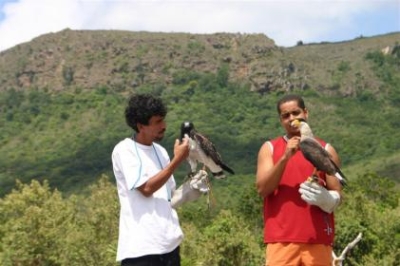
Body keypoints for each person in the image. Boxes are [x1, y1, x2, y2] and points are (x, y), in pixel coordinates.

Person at [112, 93, 208, 266]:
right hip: (141, 250)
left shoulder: (161, 152)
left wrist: (188, 191)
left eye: (163, 120)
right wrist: (177, 160)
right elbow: (146, 189)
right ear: (140, 126)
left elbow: (168, 198)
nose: (164, 126)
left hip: (169, 245)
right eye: (157, 122)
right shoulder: (124, 150)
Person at [256, 94, 343, 266]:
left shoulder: (325, 149)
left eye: (296, 113)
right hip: (281, 240)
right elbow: (262, 189)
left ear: (306, 113)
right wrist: (285, 157)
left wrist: (327, 199)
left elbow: (337, 194)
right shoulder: (270, 148)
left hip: (318, 238)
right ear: (280, 120)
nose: (291, 119)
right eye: (285, 116)